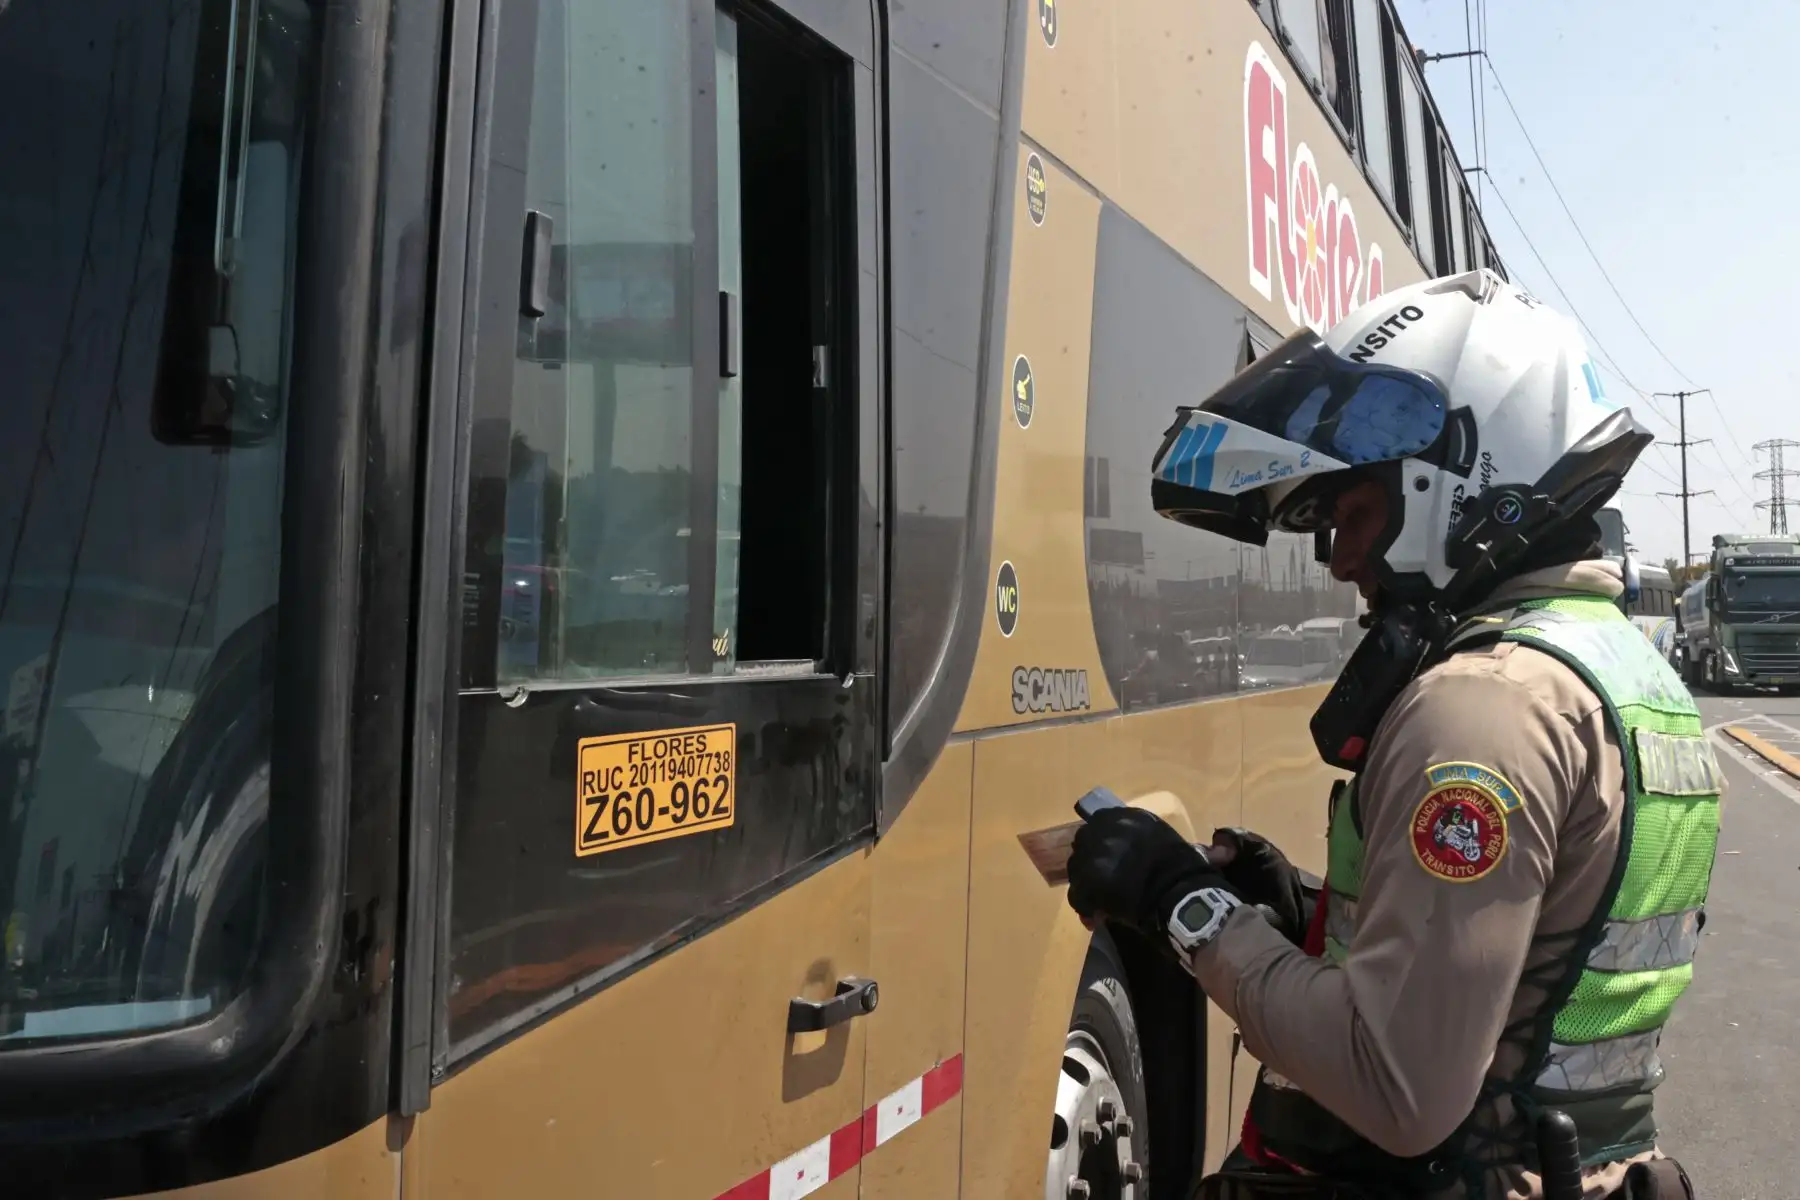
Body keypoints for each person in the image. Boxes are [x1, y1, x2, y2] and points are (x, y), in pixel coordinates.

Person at [1065, 270, 1716, 1199]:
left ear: (1462, 484)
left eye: (1354, 512)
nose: (1340, 558)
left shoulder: (1483, 707)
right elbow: (1542, 948)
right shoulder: (1625, 675)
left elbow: (1397, 1086)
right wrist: (1289, 913)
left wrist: (1184, 906)